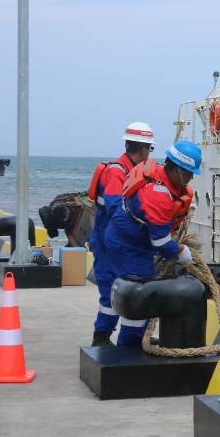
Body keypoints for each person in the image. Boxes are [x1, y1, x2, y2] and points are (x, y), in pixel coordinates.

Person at [103, 140, 201, 347]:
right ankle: (129, 349)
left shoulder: (160, 177)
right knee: (139, 296)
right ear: (176, 170)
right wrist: (181, 251)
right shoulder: (158, 195)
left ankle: (132, 340)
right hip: (127, 245)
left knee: (138, 292)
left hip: (132, 240)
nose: (191, 178)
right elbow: (161, 242)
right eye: (189, 173)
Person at [88, 122, 156, 347]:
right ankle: (103, 337)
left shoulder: (131, 170)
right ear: (143, 149)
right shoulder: (117, 172)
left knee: (122, 288)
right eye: (149, 149)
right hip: (110, 241)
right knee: (113, 290)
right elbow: (117, 207)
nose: (149, 154)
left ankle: (130, 336)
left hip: (115, 238)